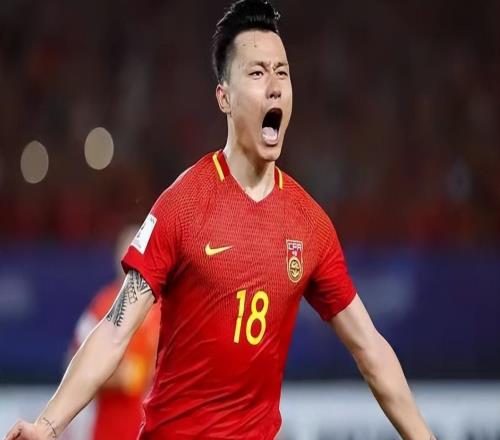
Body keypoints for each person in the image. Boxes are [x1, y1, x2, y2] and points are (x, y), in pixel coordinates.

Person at [5, 1, 436, 439]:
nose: (275, 86)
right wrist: (47, 426)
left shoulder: (309, 225)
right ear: (224, 97)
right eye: (257, 73)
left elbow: (370, 349)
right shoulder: (183, 205)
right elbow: (114, 331)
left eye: (282, 72)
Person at [64, 226, 160, 440]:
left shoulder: (163, 307)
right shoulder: (102, 306)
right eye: (129, 251)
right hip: (108, 430)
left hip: (150, 429)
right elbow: (73, 362)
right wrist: (115, 375)